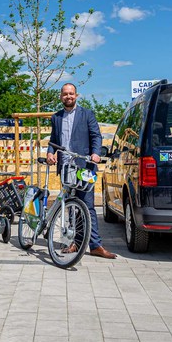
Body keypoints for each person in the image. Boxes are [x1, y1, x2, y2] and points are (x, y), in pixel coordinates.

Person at [47, 83, 117, 259]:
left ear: (76, 96)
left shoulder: (87, 114)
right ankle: (74, 242)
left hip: (85, 167)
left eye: (71, 94)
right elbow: (53, 140)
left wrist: (95, 152)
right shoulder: (56, 117)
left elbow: (96, 136)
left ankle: (95, 245)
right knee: (70, 206)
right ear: (60, 97)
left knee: (87, 206)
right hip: (66, 167)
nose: (68, 96)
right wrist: (50, 153)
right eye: (65, 94)